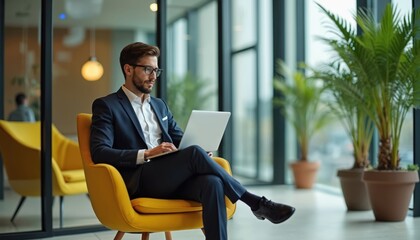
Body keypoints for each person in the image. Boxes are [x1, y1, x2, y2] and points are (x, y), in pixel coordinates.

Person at [90, 42, 295, 240]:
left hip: (169, 178)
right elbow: (100, 151)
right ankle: (255, 203)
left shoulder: (160, 106)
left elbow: (182, 140)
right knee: (195, 154)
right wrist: (148, 153)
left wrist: (201, 151)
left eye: (156, 71)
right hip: (139, 180)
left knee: (212, 182)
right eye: (147, 70)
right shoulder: (107, 106)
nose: (153, 77)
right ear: (128, 69)